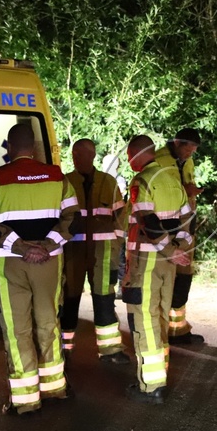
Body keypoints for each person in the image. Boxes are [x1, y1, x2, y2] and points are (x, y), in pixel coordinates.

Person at [0, 124, 78, 417]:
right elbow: (73, 218)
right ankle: (55, 388)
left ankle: (26, 401)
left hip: (10, 262)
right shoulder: (57, 177)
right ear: (33, 147)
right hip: (49, 262)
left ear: (9, 147)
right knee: (48, 322)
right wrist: (47, 245)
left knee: (17, 328)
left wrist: (21, 247)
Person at [122, 135, 193, 404]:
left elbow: (148, 221)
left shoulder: (142, 181)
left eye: (129, 155)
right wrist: (179, 248)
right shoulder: (172, 178)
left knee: (145, 320)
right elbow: (188, 218)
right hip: (168, 264)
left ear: (136, 154)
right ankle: (158, 376)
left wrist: (168, 249)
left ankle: (151, 387)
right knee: (161, 318)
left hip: (148, 261)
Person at [60, 139, 129, 364]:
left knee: (104, 299)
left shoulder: (108, 182)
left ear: (92, 156)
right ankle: (63, 347)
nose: (77, 158)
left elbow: (121, 216)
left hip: (104, 251)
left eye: (81, 154)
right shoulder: (65, 182)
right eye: (76, 154)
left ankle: (110, 350)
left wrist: (117, 242)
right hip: (72, 250)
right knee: (69, 298)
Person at [155, 128, 205, 345]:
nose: (189, 154)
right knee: (167, 279)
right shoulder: (159, 161)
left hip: (186, 227)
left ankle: (179, 329)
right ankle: (162, 330)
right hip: (166, 229)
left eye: (193, 151)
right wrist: (187, 190)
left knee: (184, 276)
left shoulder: (188, 161)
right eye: (187, 149)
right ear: (177, 142)